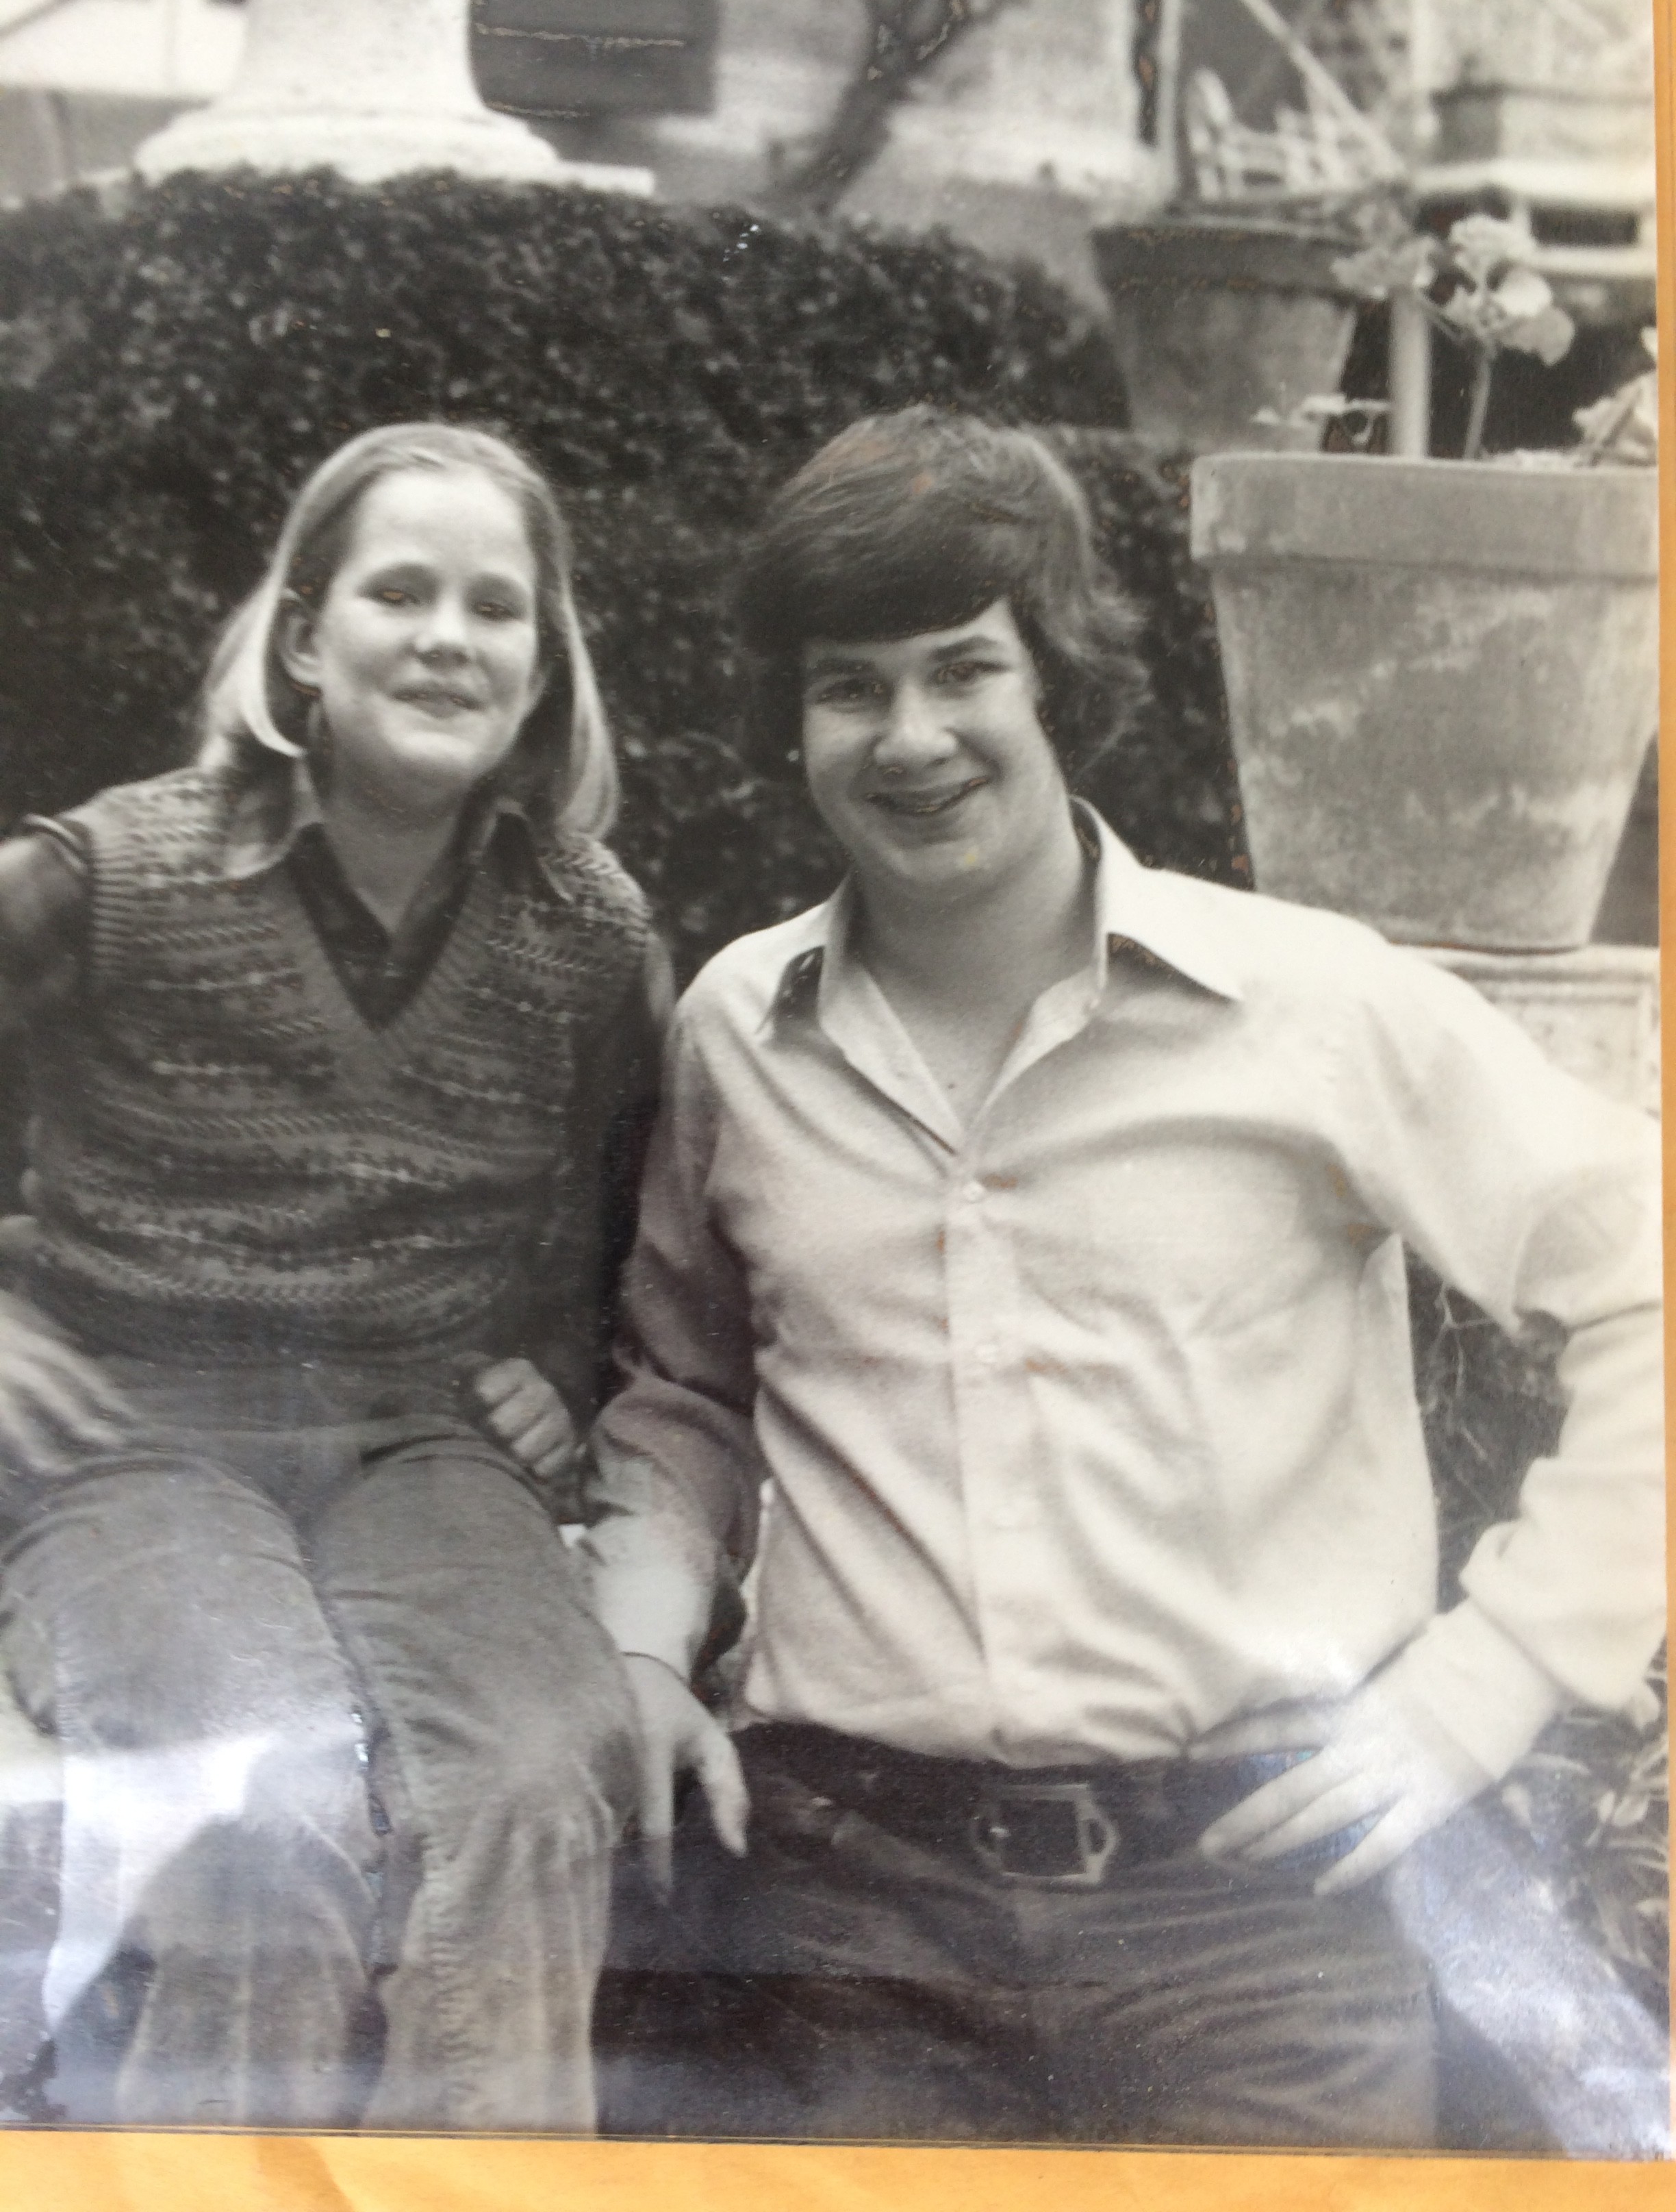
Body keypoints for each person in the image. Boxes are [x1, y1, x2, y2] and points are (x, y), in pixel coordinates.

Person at [585, 410, 1664, 2148]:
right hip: (854, 1916)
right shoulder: (740, 1031)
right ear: (794, 724)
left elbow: (1647, 1272)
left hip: (1262, 1923)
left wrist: (1502, 1674)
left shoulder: (1312, 1012)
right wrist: (638, 1649)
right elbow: (689, 1388)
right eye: (850, 686)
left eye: (965, 672)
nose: (912, 736)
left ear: (1059, 687)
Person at [0, 423, 665, 2131]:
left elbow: (624, 1210)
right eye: (398, 590)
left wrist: (561, 1362)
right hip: (134, 1436)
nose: (448, 635)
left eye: (496, 606)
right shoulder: (117, 873)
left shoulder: (585, 933)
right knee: (261, 1801)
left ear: (544, 662)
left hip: (412, 1446)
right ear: (303, 637)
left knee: (531, 1779)